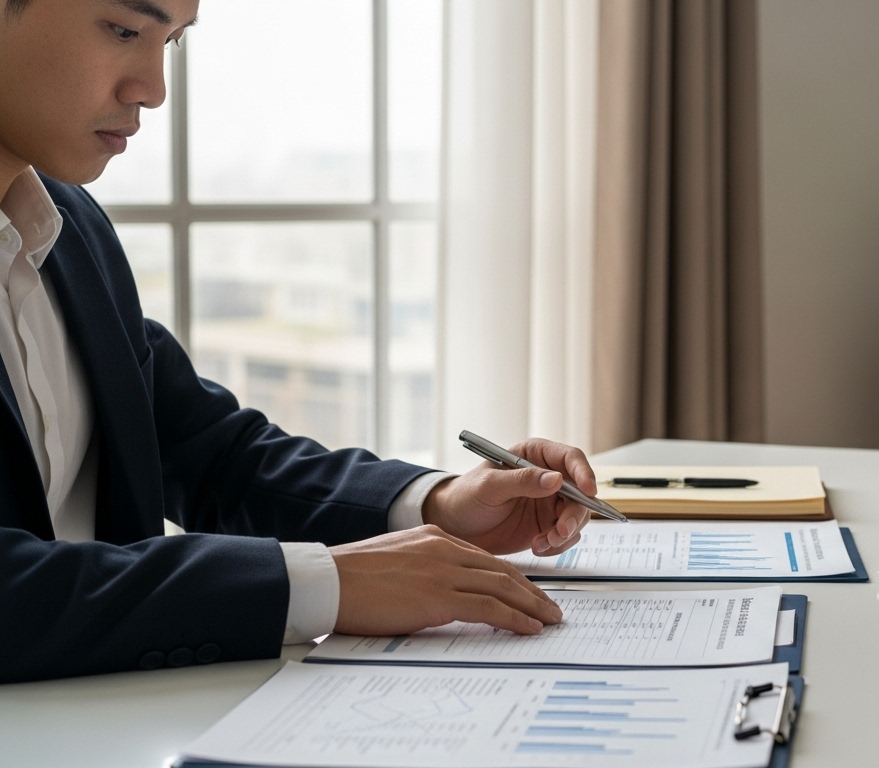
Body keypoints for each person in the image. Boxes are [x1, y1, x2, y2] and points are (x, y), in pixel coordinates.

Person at [0, 0, 593, 683]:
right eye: (125, 31)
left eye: (175, 41)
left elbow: (212, 455)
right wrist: (321, 583)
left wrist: (440, 505)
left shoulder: (69, 228)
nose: (153, 90)